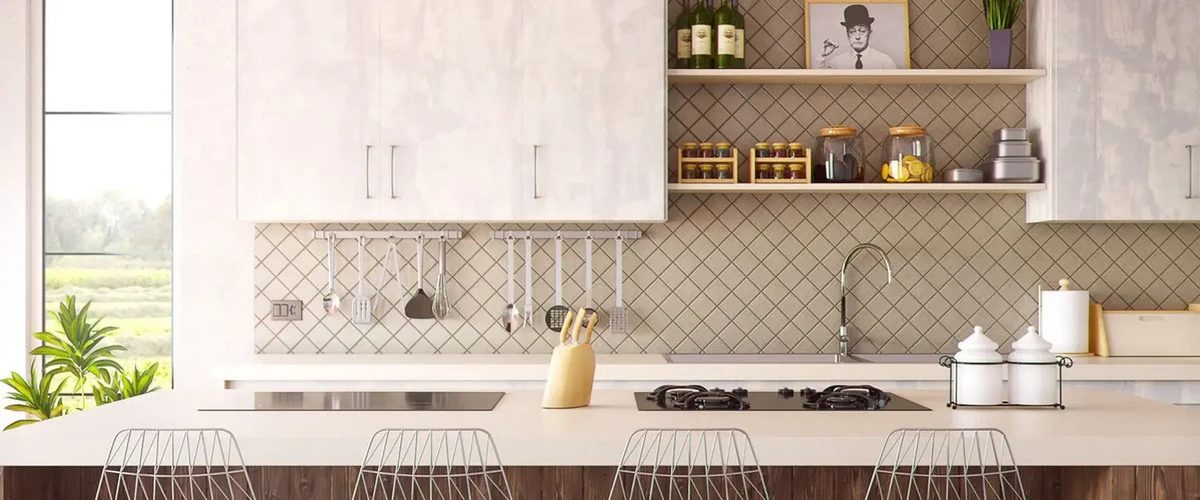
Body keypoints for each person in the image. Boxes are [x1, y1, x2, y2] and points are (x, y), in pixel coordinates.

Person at [818, 4, 897, 70]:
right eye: (852, 31)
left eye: (862, 31)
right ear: (847, 35)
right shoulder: (836, 63)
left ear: (870, 34)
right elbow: (820, 81)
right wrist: (822, 56)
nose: (857, 36)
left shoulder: (885, 62)